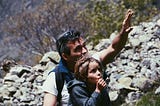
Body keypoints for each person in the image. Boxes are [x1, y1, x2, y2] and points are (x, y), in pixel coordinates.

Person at [42, 9, 134, 106]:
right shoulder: (55, 78)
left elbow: (114, 48)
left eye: (84, 46)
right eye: (78, 49)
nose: (85, 51)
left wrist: (123, 33)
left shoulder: (94, 63)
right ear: (65, 56)